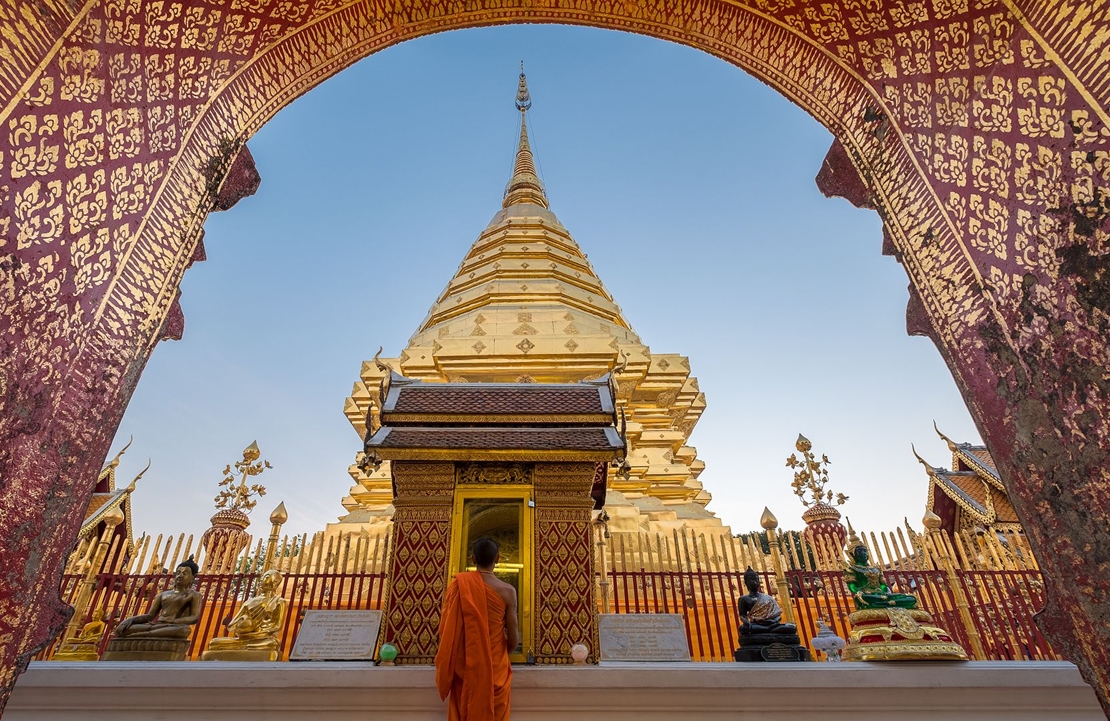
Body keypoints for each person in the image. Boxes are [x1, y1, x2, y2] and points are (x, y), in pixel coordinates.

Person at [435, 537, 517, 721]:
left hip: (466, 666)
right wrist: (498, 656)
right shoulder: (508, 591)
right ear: (498, 558)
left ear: (473, 559)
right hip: (497, 669)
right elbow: (513, 640)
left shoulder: (458, 585)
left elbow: (447, 631)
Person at [114, 557, 202, 639]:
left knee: (184, 630)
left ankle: (143, 635)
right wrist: (130, 619)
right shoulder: (164, 594)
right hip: (157, 625)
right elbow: (150, 616)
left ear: (193, 577)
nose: (180, 576)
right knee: (125, 628)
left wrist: (172, 622)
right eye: (178, 573)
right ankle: (146, 634)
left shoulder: (194, 595)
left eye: (185, 573)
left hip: (174, 626)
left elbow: (194, 617)